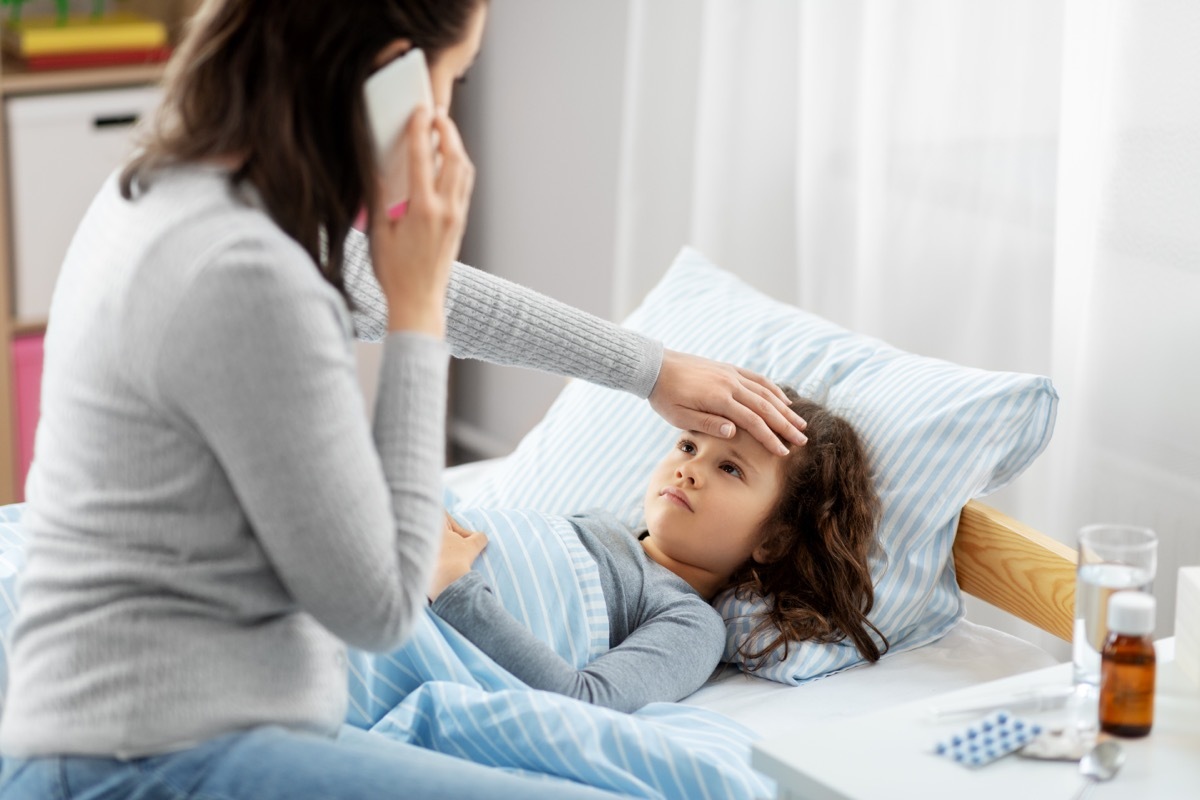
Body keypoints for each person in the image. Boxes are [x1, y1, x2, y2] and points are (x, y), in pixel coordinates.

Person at [0, 1, 807, 798]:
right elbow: (381, 605)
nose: (447, 111)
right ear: (390, 76)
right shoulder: (247, 273)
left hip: (150, 729)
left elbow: (424, 295)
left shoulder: (185, 195)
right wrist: (415, 308)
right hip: (152, 755)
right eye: (452, 77)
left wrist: (649, 367)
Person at [430, 391, 888, 712]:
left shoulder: (691, 623)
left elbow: (582, 701)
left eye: (730, 468)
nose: (688, 469)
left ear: (773, 540)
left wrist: (454, 585)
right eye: (689, 445)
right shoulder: (595, 526)